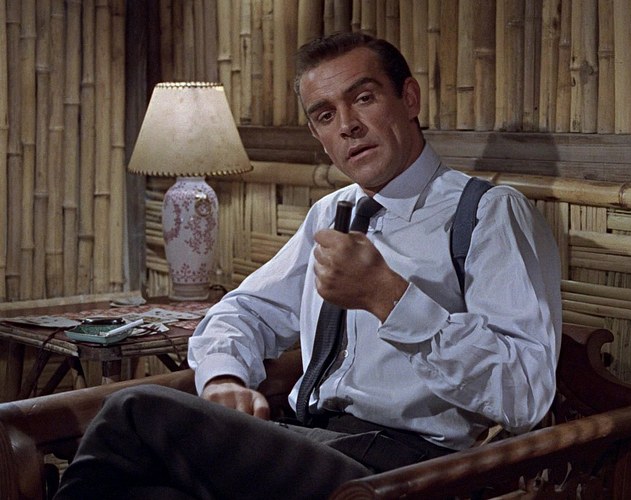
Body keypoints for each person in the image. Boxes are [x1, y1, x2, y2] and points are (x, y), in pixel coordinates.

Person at [55, 31, 562, 499]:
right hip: (308, 438)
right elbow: (243, 311)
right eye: (325, 115)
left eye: (364, 98)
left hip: (407, 471)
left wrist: (389, 297)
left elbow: (524, 395)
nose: (347, 125)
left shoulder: (488, 214)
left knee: (134, 411)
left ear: (409, 99)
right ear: (319, 136)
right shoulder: (331, 213)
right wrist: (223, 378)